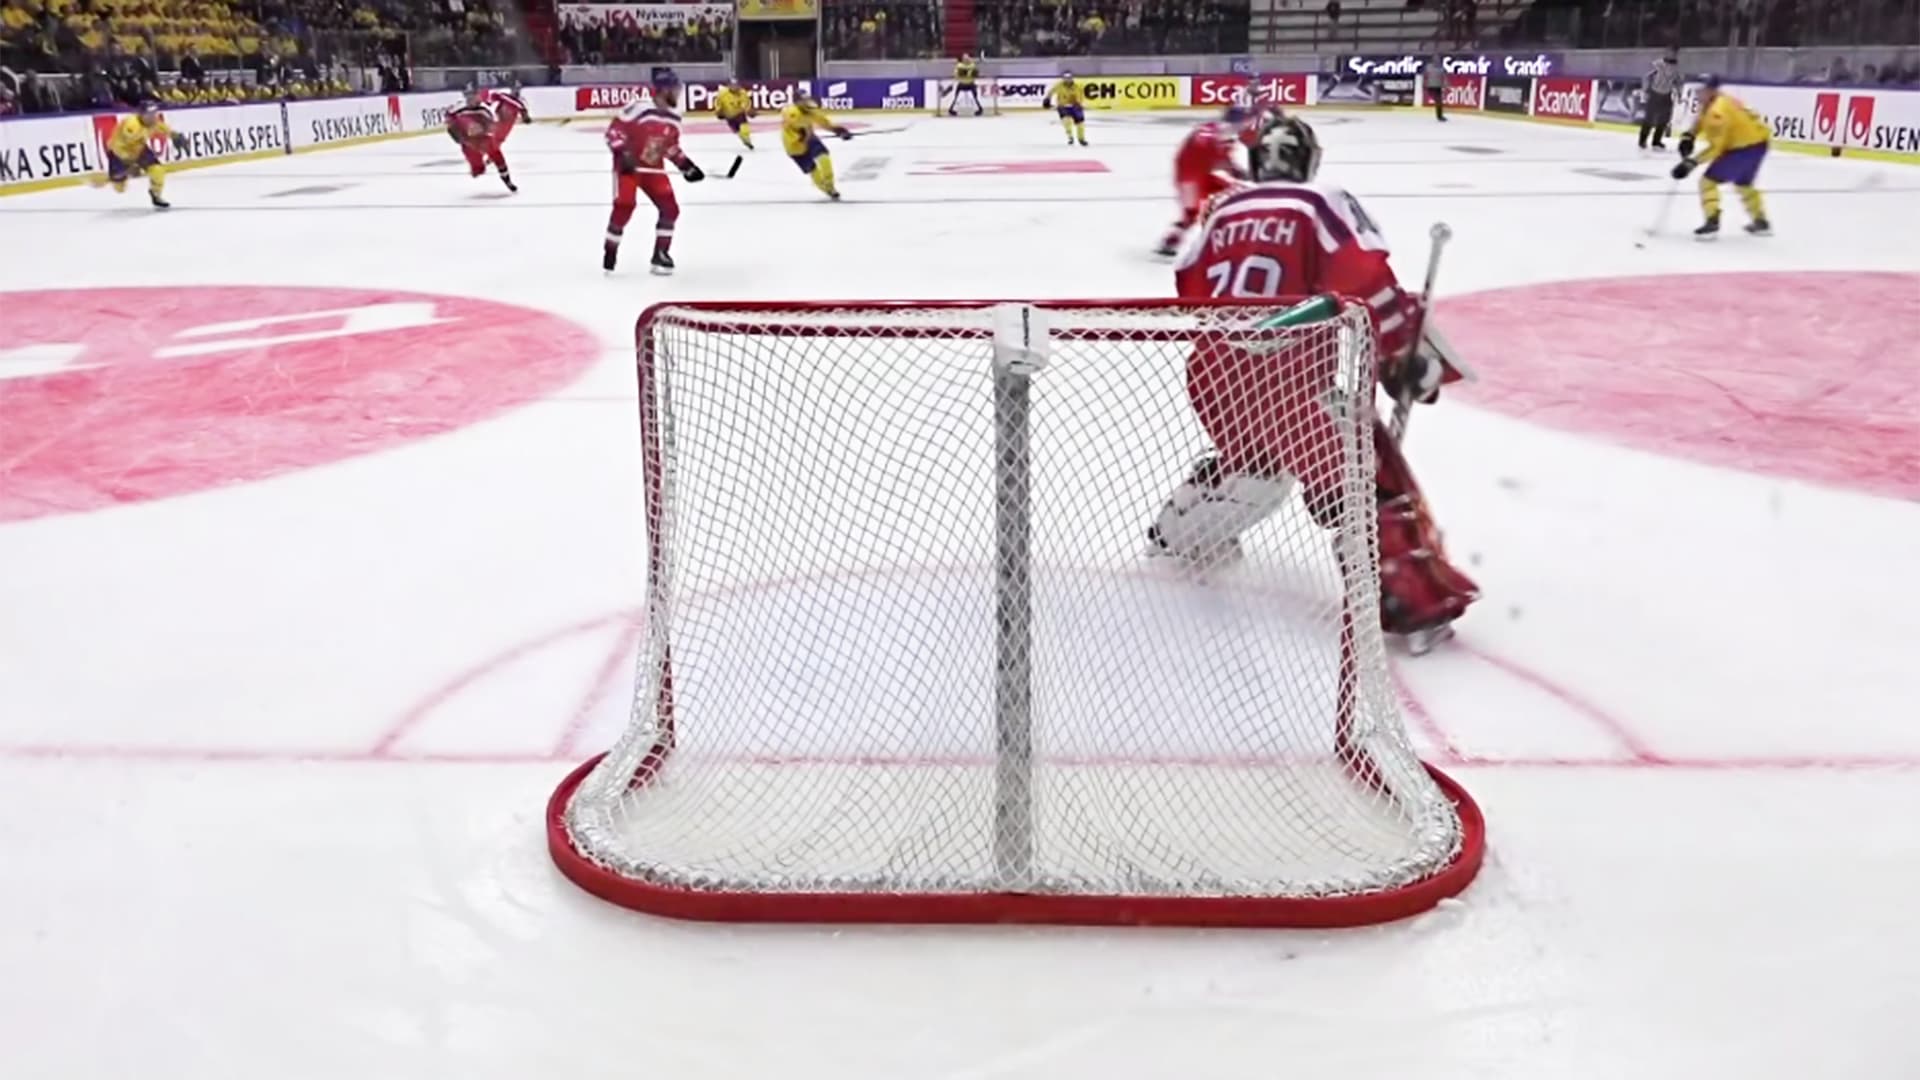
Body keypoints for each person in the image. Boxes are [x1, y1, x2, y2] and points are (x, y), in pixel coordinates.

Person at [1159, 113, 1479, 649]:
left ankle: (1176, 535)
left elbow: (1188, 287)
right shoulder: (1319, 201)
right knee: (1366, 477)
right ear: (1308, 161)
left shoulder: (1218, 210)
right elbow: (1366, 280)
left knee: (1254, 469)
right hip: (1293, 379)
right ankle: (1413, 605)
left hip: (1212, 376)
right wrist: (1403, 354)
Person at [604, 70, 705, 273]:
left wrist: (686, 165)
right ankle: (611, 248)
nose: (678, 93)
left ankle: (660, 254)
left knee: (670, 209)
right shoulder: (639, 108)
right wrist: (624, 153)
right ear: (664, 90)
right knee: (625, 205)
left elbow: (670, 146)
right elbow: (613, 131)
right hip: (628, 167)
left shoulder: (674, 117)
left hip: (652, 167)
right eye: (675, 89)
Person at [1673, 75, 1770, 238]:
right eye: (1696, 91)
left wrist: (1691, 162)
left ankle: (1712, 221)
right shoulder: (1718, 100)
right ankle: (1761, 222)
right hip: (1758, 144)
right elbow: (1701, 119)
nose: (1697, 95)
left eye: (1701, 91)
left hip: (1742, 148)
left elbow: (1717, 148)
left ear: (1711, 90)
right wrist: (1690, 135)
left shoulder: (1717, 112)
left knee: (1707, 182)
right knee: (1743, 183)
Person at [1155, 105, 1250, 258]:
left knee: (1228, 200)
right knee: (1192, 213)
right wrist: (1235, 171)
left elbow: (1220, 158)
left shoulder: (1217, 131)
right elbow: (1213, 155)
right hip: (1190, 177)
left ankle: (1174, 241)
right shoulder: (1219, 134)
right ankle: (1171, 242)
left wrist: (1235, 171)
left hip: (1196, 175)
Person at [100, 99, 188, 209]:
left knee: (157, 170)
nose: (153, 117)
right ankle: (115, 179)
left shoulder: (152, 122)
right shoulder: (131, 126)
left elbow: (162, 128)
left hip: (140, 149)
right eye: (149, 114)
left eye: (154, 113)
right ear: (141, 114)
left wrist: (175, 136)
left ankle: (156, 195)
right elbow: (120, 146)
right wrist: (131, 165)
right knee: (120, 188)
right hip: (120, 154)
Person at [780, 92, 850, 200]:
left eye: (807, 99)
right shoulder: (791, 112)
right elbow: (789, 125)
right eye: (803, 100)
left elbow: (825, 123)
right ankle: (827, 190)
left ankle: (830, 185)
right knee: (812, 170)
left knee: (824, 158)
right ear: (797, 102)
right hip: (794, 147)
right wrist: (800, 135)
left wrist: (839, 131)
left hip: (810, 139)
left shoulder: (811, 111)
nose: (807, 102)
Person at [448, 87, 515, 192]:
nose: (471, 99)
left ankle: (507, 180)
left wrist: (483, 130)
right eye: (469, 96)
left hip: (484, 138)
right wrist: (460, 138)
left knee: (497, 155)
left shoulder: (485, 109)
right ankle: (478, 167)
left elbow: (492, 126)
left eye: (474, 96)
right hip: (468, 143)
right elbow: (450, 125)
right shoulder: (457, 109)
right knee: (478, 170)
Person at [1640, 50, 1679, 150]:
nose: (1673, 55)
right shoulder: (1657, 64)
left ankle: (1656, 141)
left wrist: (1678, 91)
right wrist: (1645, 90)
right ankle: (1642, 140)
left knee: (1664, 119)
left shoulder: (1676, 67)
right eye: (1671, 53)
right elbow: (1647, 76)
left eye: (1675, 53)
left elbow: (1676, 80)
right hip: (1655, 93)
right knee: (1649, 118)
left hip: (1667, 94)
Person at [1043, 72, 1087, 146]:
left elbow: (1081, 95)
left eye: (1069, 78)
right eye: (1066, 78)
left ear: (1072, 78)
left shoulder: (1077, 86)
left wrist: (1079, 103)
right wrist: (1047, 99)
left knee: (1080, 123)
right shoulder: (1059, 85)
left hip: (1075, 106)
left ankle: (1081, 139)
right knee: (1066, 121)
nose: (1067, 80)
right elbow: (1051, 92)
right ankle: (1070, 137)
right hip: (1063, 106)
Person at [714, 78, 754, 150]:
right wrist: (718, 111)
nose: (735, 87)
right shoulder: (722, 94)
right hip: (729, 116)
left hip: (739, 114)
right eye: (732, 85)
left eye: (736, 85)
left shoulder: (742, 93)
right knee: (738, 132)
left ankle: (748, 140)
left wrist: (747, 110)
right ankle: (745, 141)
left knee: (744, 128)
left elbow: (746, 103)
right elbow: (718, 104)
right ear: (728, 86)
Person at [1423, 54, 1447, 122]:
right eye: (1435, 59)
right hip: (1431, 86)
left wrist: (1445, 83)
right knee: (1438, 101)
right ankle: (1439, 116)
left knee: (1439, 101)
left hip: (1438, 86)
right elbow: (1425, 75)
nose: (1437, 60)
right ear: (1433, 60)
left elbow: (1444, 77)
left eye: (1438, 59)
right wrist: (1424, 83)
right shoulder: (1428, 67)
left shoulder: (1441, 68)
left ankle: (1439, 116)